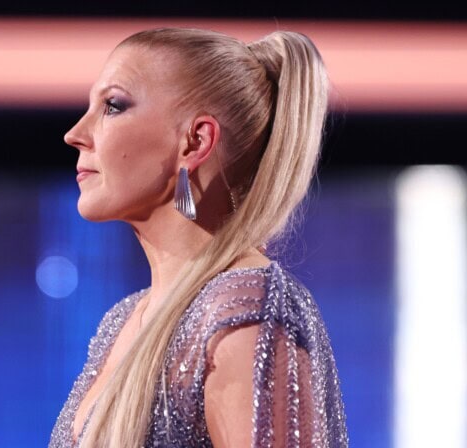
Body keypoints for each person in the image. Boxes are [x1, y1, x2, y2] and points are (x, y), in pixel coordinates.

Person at [49, 27, 348, 448]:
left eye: (112, 106)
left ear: (196, 141)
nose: (75, 133)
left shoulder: (248, 310)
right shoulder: (122, 320)